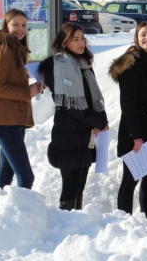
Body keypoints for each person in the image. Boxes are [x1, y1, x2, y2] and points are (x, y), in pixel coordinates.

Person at [39, 23, 108, 210]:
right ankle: (66, 225)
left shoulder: (84, 64)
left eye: (82, 38)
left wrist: (102, 118)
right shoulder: (56, 65)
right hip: (67, 134)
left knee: (80, 186)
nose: (81, 42)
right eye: (75, 39)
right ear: (64, 41)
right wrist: (98, 121)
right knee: (70, 187)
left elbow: (93, 96)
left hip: (84, 134)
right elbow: (69, 105)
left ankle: (75, 224)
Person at [109, 21, 147, 219]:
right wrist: (136, 136)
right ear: (136, 37)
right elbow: (128, 104)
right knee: (131, 179)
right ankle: (123, 221)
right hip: (136, 130)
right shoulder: (132, 63)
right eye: (143, 34)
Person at [0, 9, 42, 190]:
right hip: (4, 119)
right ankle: (23, 215)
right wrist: (27, 92)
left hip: (12, 117)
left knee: (7, 171)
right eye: (15, 24)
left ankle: (3, 212)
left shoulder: (13, 49)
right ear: (6, 26)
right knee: (25, 175)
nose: (20, 28)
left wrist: (33, 87)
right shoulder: (4, 50)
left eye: (24, 25)